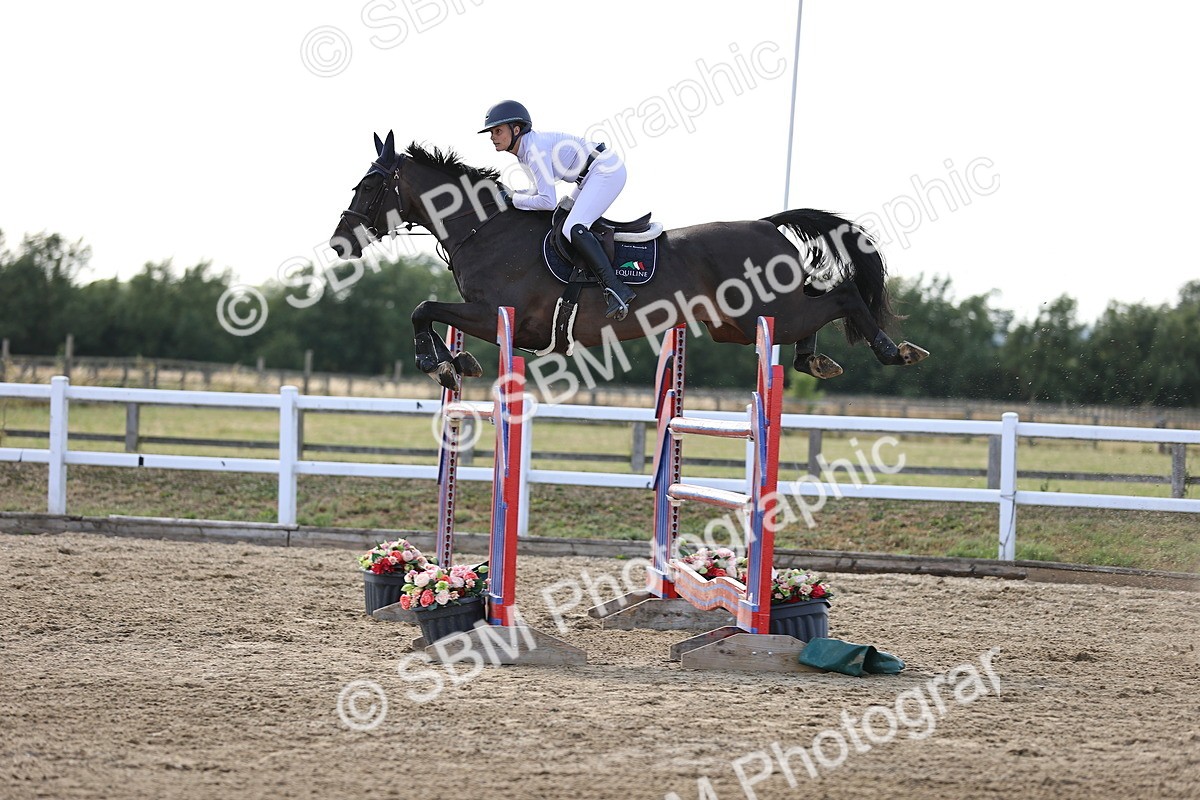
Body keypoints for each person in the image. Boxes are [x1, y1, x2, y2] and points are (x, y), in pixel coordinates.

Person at [479, 100, 636, 321]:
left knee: (573, 227)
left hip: (605, 171)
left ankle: (616, 287)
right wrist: (509, 194)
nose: (492, 137)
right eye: (491, 132)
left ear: (516, 129)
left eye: (498, 131)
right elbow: (536, 191)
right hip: (590, 176)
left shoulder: (533, 151)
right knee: (563, 220)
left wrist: (512, 198)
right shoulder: (524, 151)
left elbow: (546, 201)